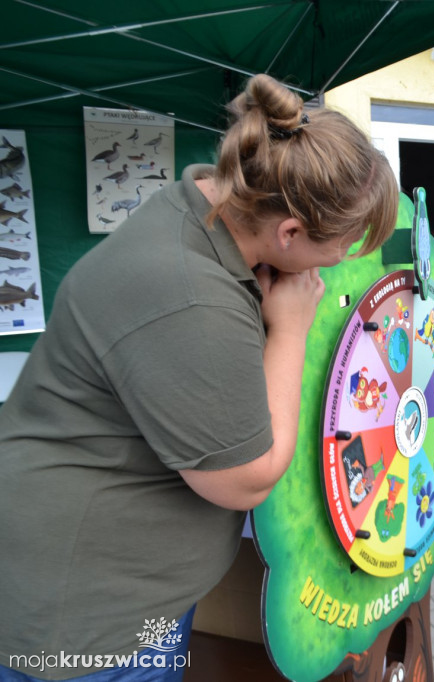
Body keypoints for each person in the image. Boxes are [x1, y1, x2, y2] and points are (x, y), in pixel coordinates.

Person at [0, 74, 397, 681]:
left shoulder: (201, 206)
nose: (341, 260)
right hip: (91, 620)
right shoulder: (190, 297)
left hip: (122, 587)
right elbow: (246, 480)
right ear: (288, 233)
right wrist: (290, 329)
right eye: (342, 245)